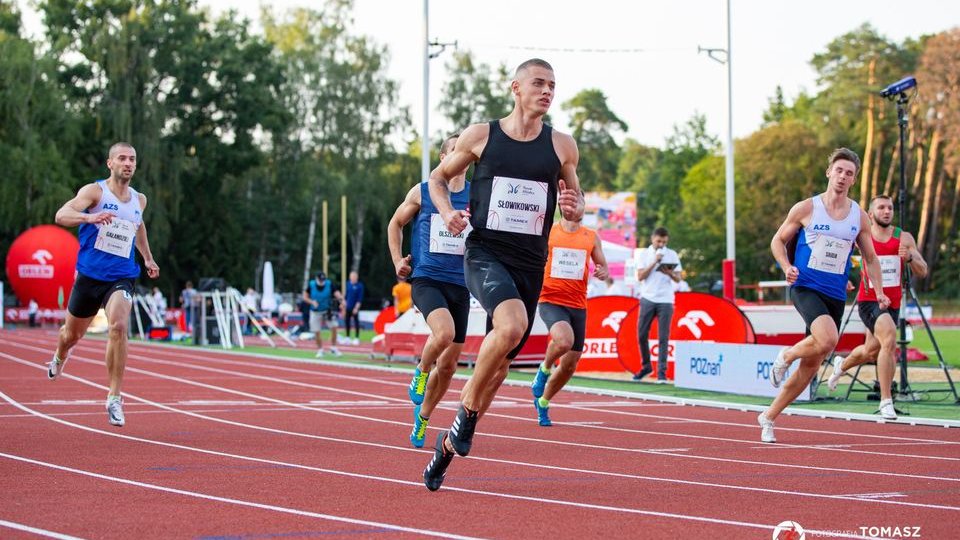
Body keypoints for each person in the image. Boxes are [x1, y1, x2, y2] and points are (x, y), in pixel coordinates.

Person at [422, 58, 583, 491]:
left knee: (498, 373)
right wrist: (446, 211)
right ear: (516, 87)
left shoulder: (562, 145)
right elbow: (437, 179)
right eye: (538, 83)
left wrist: (575, 208)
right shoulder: (481, 136)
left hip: (531, 262)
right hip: (485, 252)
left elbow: (576, 194)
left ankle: (448, 445)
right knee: (510, 326)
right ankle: (463, 415)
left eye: (552, 85)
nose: (547, 91)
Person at [761, 148, 889, 443]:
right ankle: (786, 354)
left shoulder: (858, 215)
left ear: (854, 180)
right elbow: (778, 240)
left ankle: (768, 417)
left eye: (849, 173)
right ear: (829, 172)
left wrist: (879, 290)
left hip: (834, 293)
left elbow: (869, 258)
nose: (843, 177)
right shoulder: (806, 208)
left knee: (812, 366)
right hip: (805, 286)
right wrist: (786, 266)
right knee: (829, 339)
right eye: (839, 170)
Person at [47, 141, 160, 427]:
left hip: (122, 275)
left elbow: (138, 226)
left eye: (132, 159)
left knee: (119, 327)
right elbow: (61, 215)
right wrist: (90, 216)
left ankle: (114, 397)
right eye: (122, 158)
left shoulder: (139, 199)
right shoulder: (94, 192)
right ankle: (61, 355)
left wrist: (147, 258)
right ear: (110, 163)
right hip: (89, 276)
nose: (128, 163)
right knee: (70, 335)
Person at [387, 134, 471, 448]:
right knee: (444, 332)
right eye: (455, 152)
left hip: (461, 284)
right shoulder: (422, 192)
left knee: (449, 366)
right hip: (427, 279)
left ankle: (423, 416)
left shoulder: (478, 198)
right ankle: (421, 369)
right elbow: (395, 223)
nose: (461, 159)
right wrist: (398, 261)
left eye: (466, 154)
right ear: (443, 157)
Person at [826, 194, 927, 419]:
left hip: (893, 303)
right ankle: (886, 400)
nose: (887, 211)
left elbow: (923, 270)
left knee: (871, 350)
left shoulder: (904, 238)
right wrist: (844, 280)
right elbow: (837, 258)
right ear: (870, 214)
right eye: (881, 208)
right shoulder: (863, 236)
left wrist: (910, 257)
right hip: (869, 300)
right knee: (889, 339)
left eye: (890, 208)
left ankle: (841, 366)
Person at [531, 216, 608, 426]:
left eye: (578, 199)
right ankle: (544, 369)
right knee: (564, 340)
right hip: (550, 299)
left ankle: (544, 402)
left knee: (569, 364)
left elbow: (603, 266)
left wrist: (602, 271)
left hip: (577, 304)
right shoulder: (549, 232)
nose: (573, 205)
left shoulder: (591, 236)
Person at [633, 227, 683, 383]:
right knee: (641, 334)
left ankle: (662, 372)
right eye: (659, 241)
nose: (661, 244)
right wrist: (655, 261)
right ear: (652, 239)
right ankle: (646, 366)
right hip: (648, 297)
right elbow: (640, 276)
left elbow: (678, 279)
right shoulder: (644, 254)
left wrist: (668, 272)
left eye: (664, 242)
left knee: (663, 337)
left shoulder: (672, 254)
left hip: (666, 300)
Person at [303, 271, 342, 357]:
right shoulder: (311, 285)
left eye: (323, 280)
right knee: (317, 331)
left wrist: (341, 300)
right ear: (316, 279)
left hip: (327, 310)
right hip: (315, 311)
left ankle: (333, 347)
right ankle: (320, 350)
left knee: (334, 327)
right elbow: (305, 297)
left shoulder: (329, 284)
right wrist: (312, 302)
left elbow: (337, 293)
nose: (322, 282)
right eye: (320, 280)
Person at [343, 271, 365, 345]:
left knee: (356, 322)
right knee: (347, 322)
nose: (352, 278)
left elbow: (360, 298)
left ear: (356, 277)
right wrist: (343, 304)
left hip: (355, 307)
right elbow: (346, 295)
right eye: (351, 276)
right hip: (348, 306)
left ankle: (356, 338)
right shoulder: (348, 284)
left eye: (353, 276)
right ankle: (347, 337)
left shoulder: (359, 286)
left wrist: (356, 308)